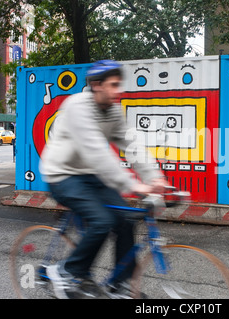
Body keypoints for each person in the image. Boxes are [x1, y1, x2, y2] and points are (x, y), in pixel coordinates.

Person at [40, 60, 166, 299]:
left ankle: (120, 286)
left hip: (91, 176)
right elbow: (98, 153)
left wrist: (156, 178)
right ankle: (65, 271)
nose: (119, 91)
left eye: (120, 85)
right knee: (102, 220)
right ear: (97, 85)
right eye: (114, 85)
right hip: (62, 175)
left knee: (126, 220)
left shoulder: (113, 111)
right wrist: (135, 185)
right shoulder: (77, 107)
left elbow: (133, 146)